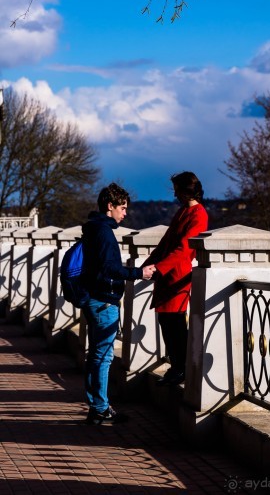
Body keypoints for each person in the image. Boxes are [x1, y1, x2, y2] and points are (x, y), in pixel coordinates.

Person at [81, 182, 155, 425]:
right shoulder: (103, 232)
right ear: (109, 206)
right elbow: (109, 268)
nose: (125, 213)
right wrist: (138, 273)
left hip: (95, 299)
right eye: (122, 208)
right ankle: (100, 408)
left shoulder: (94, 228)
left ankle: (97, 406)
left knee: (96, 356)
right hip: (104, 301)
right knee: (103, 357)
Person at [142, 171, 208, 387]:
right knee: (167, 322)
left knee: (176, 324)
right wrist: (149, 263)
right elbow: (166, 242)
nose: (174, 195)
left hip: (178, 276)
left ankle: (181, 367)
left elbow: (184, 248)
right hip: (168, 275)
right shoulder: (182, 212)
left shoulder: (198, 214)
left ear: (183, 190)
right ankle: (177, 365)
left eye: (176, 190)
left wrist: (159, 267)